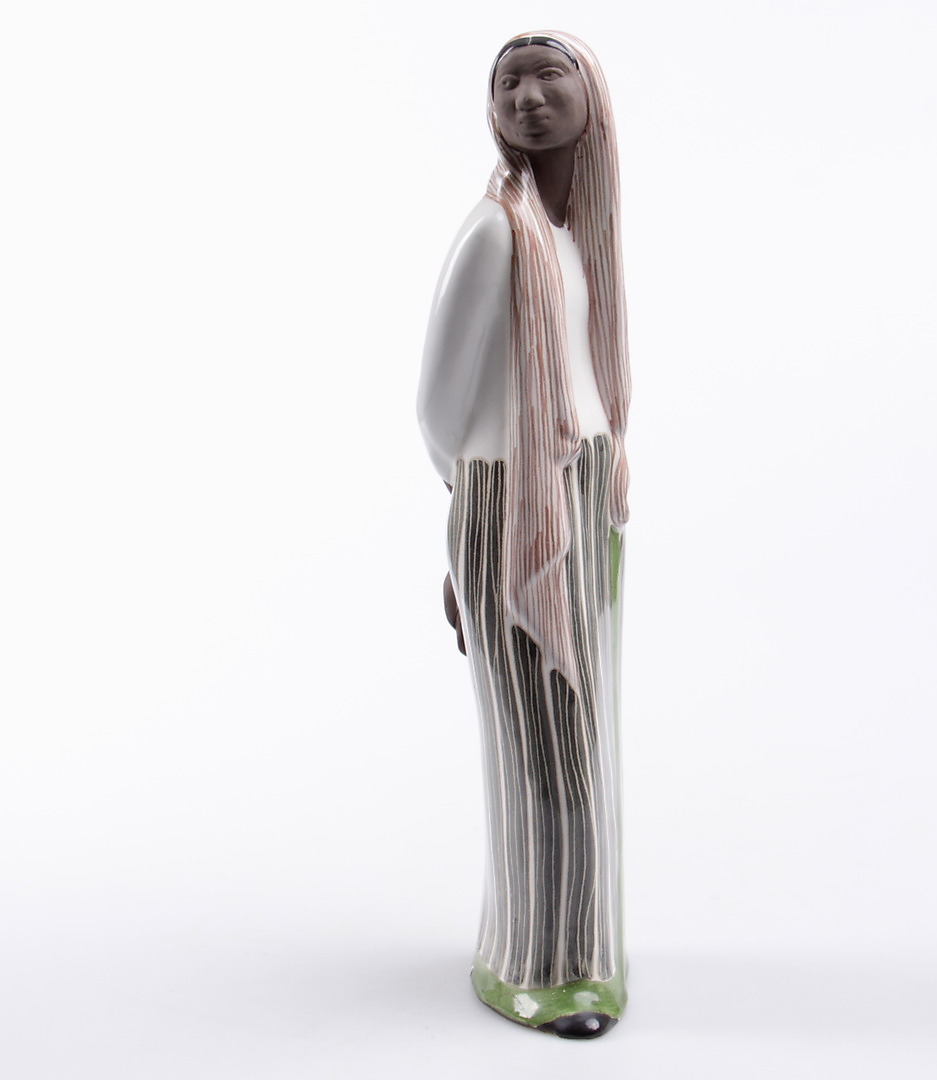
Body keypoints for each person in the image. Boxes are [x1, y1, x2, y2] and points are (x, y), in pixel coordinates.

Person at [418, 31, 631, 1039]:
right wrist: (474, 526)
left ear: (592, 96)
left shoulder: (575, 232)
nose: (530, 96)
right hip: (515, 500)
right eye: (510, 82)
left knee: (586, 739)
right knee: (546, 745)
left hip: (581, 495)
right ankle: (541, 965)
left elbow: (586, 375)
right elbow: (437, 407)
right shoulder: (497, 235)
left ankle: (579, 946)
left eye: (551, 76)